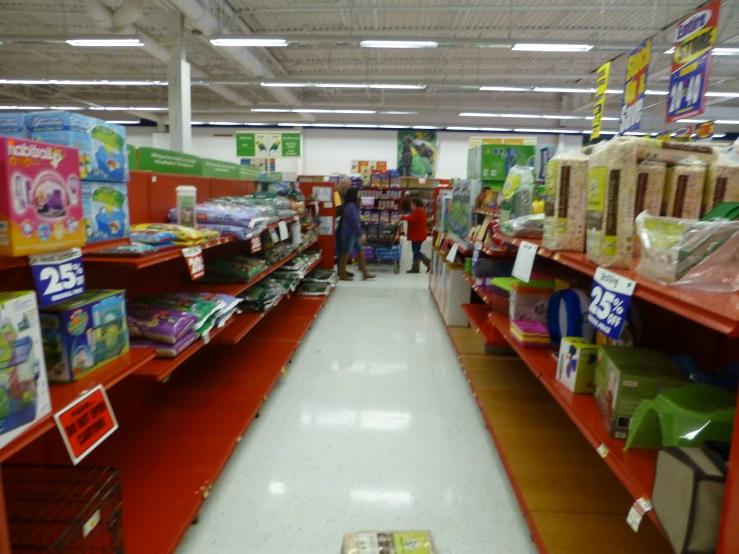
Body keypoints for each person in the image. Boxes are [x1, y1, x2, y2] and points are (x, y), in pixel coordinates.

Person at [339, 188, 376, 281]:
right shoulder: (351, 206)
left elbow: (356, 220)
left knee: (360, 252)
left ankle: (364, 273)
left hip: (353, 233)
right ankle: (342, 274)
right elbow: (354, 222)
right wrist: (361, 234)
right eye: (357, 194)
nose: (359, 196)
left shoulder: (352, 205)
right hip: (350, 233)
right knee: (346, 254)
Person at [401, 197, 430, 273]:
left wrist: (400, 217)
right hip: (418, 234)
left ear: (415, 204)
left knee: (416, 251)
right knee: (416, 251)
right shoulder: (419, 211)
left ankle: (419, 267)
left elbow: (410, 218)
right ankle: (424, 265)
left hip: (417, 235)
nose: (411, 205)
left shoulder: (418, 211)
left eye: (411, 204)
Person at [334, 177, 354, 277]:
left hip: (343, 223)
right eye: (348, 185)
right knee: (341, 248)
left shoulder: (342, 193)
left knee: (344, 248)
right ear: (343, 184)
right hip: (339, 224)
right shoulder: (336, 193)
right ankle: (340, 271)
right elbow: (339, 208)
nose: (349, 187)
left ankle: (343, 270)